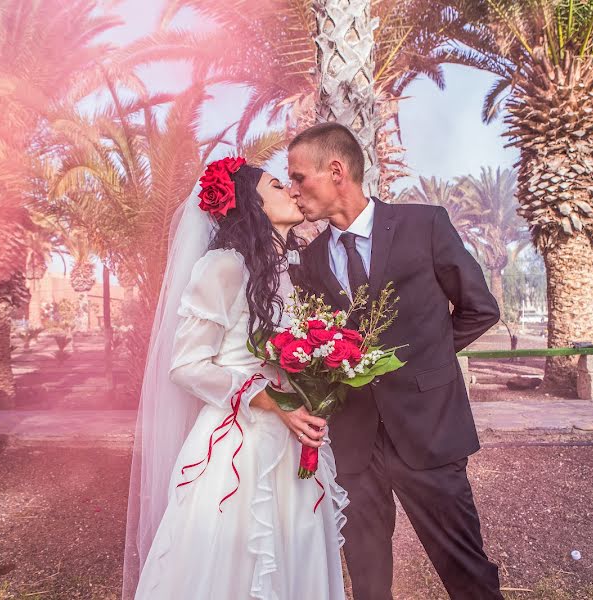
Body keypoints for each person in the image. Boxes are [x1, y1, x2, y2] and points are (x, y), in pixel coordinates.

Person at [288, 122, 504, 600]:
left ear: (337, 171)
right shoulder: (312, 260)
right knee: (366, 582)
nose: (294, 189)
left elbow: (480, 308)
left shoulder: (423, 225)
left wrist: (420, 361)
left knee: (467, 573)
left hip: (428, 429)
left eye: (299, 177)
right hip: (354, 444)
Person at [121, 157, 347, 600]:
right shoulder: (224, 266)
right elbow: (186, 365)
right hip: (239, 447)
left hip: (293, 438)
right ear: (252, 204)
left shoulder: (290, 271)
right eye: (279, 186)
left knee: (295, 551)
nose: (293, 191)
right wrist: (270, 401)